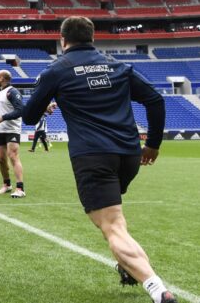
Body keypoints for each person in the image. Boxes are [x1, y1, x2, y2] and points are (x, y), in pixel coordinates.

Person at [22, 16, 175, 303]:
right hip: (130, 154)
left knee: (111, 225)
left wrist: (50, 96)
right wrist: (152, 144)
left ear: (62, 39)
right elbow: (156, 99)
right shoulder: (119, 66)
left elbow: (30, 116)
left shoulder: (56, 70)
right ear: (92, 37)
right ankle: (127, 266)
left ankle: (157, 289)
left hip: (93, 155)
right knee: (115, 219)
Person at [0, 70, 26, 198]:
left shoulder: (12, 92)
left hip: (12, 129)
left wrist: (3, 117)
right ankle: (6, 185)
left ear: (1, 78)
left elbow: (20, 110)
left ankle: (20, 188)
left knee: (13, 156)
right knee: (1, 159)